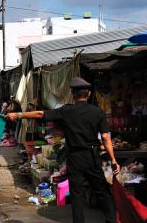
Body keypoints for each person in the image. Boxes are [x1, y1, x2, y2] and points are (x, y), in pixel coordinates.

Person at [7, 77, 120, 223]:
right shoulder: (97, 112)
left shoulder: (66, 111)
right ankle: (111, 220)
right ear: (89, 94)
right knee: (102, 191)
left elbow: (41, 114)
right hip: (92, 157)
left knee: (76, 194)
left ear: (73, 94)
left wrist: (18, 115)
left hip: (74, 157)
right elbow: (106, 138)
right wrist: (113, 160)